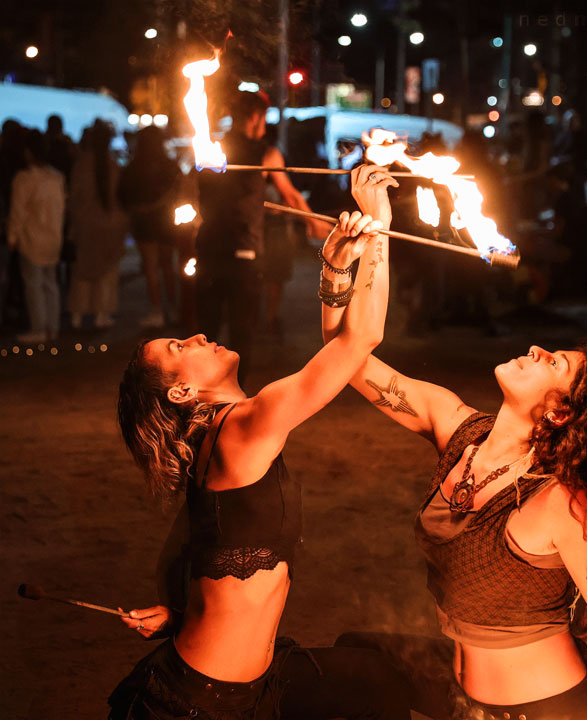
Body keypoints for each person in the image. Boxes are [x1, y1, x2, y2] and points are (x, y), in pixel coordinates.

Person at [322, 210, 587, 717]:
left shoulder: (562, 501)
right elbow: (342, 358)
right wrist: (351, 255)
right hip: (466, 702)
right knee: (349, 656)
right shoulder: (456, 426)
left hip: (551, 710)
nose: (536, 348)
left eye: (553, 362)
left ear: (559, 412)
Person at [108, 165, 410, 720]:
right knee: (376, 685)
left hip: (234, 682)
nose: (197, 334)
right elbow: (360, 339)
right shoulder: (243, 426)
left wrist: (337, 263)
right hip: (200, 704)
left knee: (375, 679)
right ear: (182, 391)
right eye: (180, 346)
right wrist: (381, 226)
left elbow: (195, 549)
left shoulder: (213, 441)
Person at [194, 90, 329, 384]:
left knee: (206, 329)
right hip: (243, 253)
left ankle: (204, 390)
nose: (264, 124)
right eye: (264, 117)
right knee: (241, 330)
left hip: (207, 249)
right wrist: (314, 222)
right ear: (255, 116)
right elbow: (290, 194)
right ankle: (233, 391)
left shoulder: (211, 147)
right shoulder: (265, 153)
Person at [118, 125, 181, 328]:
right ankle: (171, 307)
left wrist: (139, 208)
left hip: (144, 223)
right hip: (166, 221)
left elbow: (123, 195)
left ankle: (157, 310)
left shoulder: (134, 167)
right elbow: (179, 191)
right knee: (167, 266)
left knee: (151, 268)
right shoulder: (170, 166)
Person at [67, 120, 127, 329]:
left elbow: (74, 199)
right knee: (107, 272)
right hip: (111, 226)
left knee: (82, 272)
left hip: (86, 226)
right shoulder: (113, 166)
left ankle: (77, 314)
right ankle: (102, 314)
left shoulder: (81, 165)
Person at [7, 129, 65, 344]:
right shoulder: (56, 177)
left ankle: (39, 328)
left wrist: (12, 236)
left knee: (34, 285)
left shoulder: (25, 179)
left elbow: (18, 211)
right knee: (51, 283)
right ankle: (53, 327)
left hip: (32, 238)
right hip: (53, 237)